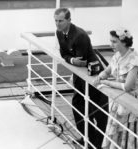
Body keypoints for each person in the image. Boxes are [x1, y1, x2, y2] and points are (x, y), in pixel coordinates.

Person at [54, 8, 108, 149]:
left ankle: (98, 143)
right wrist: (72, 60)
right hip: (79, 73)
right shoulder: (59, 32)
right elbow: (64, 54)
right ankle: (87, 138)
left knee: (97, 109)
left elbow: (82, 60)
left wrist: (72, 59)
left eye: (61, 21)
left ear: (69, 20)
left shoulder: (80, 35)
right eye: (56, 21)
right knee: (78, 104)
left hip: (93, 74)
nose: (57, 24)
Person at [93, 28, 138, 149]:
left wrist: (106, 82)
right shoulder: (117, 55)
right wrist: (100, 76)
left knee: (130, 133)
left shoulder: (134, 60)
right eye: (110, 41)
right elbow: (108, 70)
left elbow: (127, 86)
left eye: (114, 42)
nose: (111, 44)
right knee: (117, 133)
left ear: (124, 42)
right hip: (119, 101)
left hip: (132, 100)